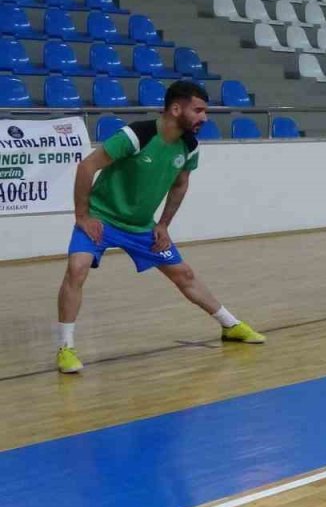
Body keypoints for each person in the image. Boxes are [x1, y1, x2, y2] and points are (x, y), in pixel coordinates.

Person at [55, 81, 264, 374]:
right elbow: (86, 167)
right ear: (176, 108)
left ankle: (230, 325)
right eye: (199, 110)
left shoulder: (190, 145)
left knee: (184, 275)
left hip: (141, 227)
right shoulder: (137, 134)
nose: (205, 117)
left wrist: (164, 224)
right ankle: (65, 348)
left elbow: (180, 184)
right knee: (77, 269)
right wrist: (82, 216)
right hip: (101, 219)